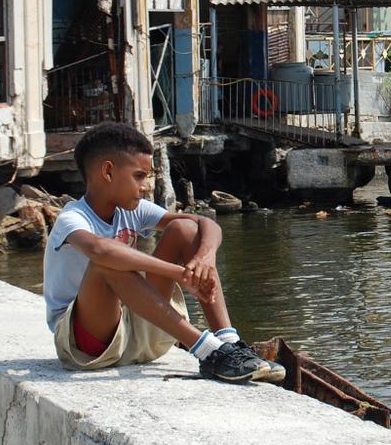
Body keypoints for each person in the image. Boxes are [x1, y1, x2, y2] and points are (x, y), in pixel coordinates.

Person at [42, 122, 283, 383]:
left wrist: (205, 258)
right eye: (139, 176)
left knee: (184, 229)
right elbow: (100, 250)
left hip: (137, 329)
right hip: (87, 344)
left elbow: (206, 224)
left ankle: (228, 341)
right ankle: (209, 352)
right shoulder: (73, 217)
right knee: (108, 262)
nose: (145, 186)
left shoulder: (132, 209)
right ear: (108, 172)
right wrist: (179, 273)